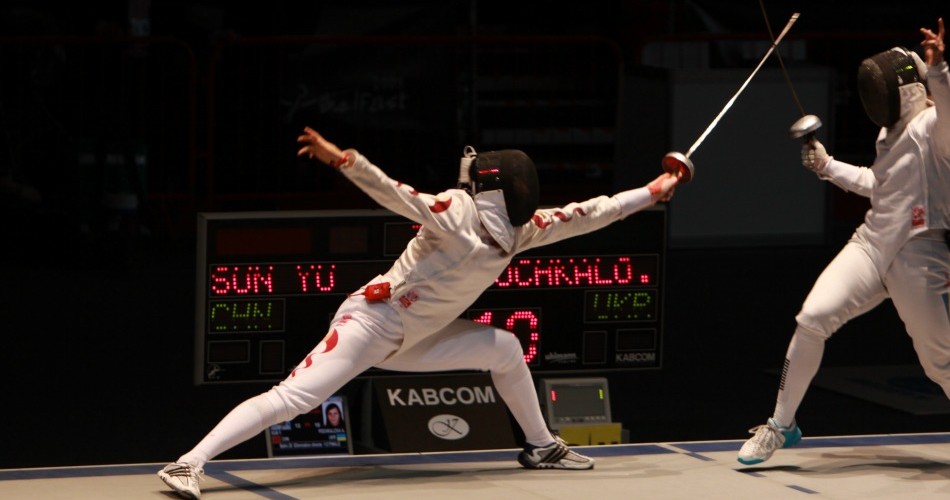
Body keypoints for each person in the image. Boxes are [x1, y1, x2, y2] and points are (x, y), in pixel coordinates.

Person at [158, 127, 680, 498]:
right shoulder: (492, 220)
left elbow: (594, 211)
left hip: (419, 337)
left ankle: (541, 446)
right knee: (294, 398)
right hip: (370, 322)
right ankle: (189, 463)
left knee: (505, 348)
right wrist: (347, 162)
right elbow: (399, 195)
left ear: (492, 187)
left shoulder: (495, 223)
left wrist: (652, 192)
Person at [737, 18, 950, 467]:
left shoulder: (936, 130)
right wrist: (828, 165)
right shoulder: (889, 134)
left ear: (904, 88)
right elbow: (880, 184)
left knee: (939, 363)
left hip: (922, 254)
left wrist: (938, 68)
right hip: (872, 243)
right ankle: (780, 425)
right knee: (813, 317)